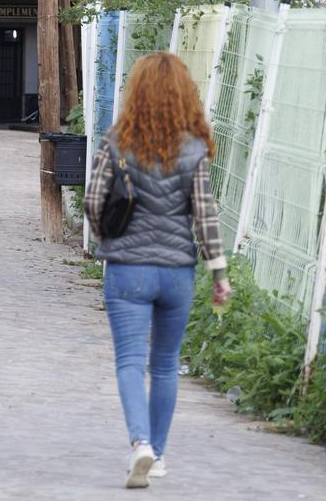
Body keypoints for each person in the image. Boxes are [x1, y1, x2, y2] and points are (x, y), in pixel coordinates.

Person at [85, 52, 232, 489]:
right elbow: (205, 215)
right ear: (183, 95)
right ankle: (160, 455)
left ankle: (140, 444)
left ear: (138, 92)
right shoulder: (194, 149)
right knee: (165, 364)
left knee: (130, 362)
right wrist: (219, 274)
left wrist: (108, 236)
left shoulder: (116, 143)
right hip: (177, 273)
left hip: (127, 270)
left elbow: (94, 201)